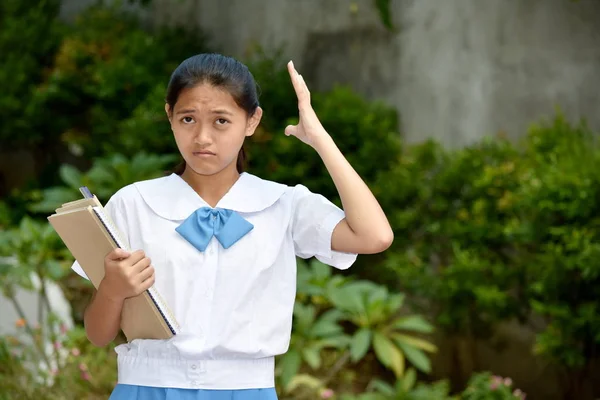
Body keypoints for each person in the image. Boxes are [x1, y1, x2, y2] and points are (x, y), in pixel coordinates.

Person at [72, 53, 393, 399]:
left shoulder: (283, 205)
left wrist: (319, 138)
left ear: (252, 121)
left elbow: (374, 236)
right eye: (188, 118)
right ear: (169, 115)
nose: (202, 137)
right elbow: (98, 335)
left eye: (221, 121)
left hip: (246, 391)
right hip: (145, 389)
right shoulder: (133, 204)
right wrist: (112, 291)